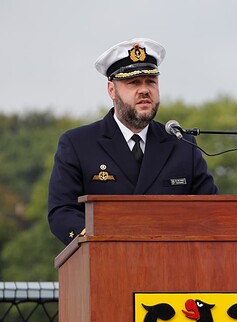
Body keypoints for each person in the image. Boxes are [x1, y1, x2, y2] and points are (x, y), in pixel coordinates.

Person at [48, 38, 218, 245]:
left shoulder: (182, 145)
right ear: (112, 90)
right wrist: (99, 244)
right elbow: (62, 212)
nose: (145, 90)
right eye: (133, 83)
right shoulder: (78, 144)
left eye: (151, 82)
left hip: (174, 264)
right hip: (106, 264)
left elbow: (211, 212)